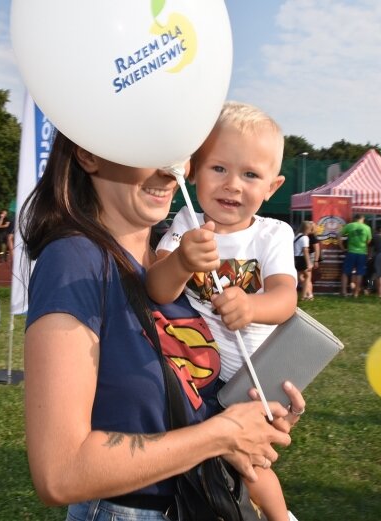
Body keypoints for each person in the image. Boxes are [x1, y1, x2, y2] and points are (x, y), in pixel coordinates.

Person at [20, 129, 306, 521]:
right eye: (148, 147)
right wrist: (221, 434)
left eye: (180, 151)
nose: (172, 170)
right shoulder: (75, 261)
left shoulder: (165, 263)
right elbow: (60, 473)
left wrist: (253, 418)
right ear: (89, 154)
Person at [148, 101, 298, 520]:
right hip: (195, 375)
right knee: (210, 462)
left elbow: (286, 300)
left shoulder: (272, 234)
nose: (233, 184)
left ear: (272, 187)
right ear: (193, 171)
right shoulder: (185, 225)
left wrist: (251, 306)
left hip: (251, 377)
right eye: (219, 169)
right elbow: (157, 288)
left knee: (251, 462)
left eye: (250, 174)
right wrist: (180, 261)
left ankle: (280, 516)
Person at [340, 214, 372, 297]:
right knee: (359, 273)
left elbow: (338, 235)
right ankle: (356, 293)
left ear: (354, 219)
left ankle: (344, 292)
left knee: (345, 272)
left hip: (351, 252)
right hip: (362, 253)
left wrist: (342, 247)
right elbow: (368, 242)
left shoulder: (349, 226)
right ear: (362, 219)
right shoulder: (367, 228)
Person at [294, 221, 314, 301]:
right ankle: (304, 296)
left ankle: (309, 294)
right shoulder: (305, 238)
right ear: (308, 229)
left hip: (296, 257)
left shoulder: (297, 236)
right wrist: (309, 263)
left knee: (301, 277)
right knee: (307, 277)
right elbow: (305, 250)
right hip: (302, 258)